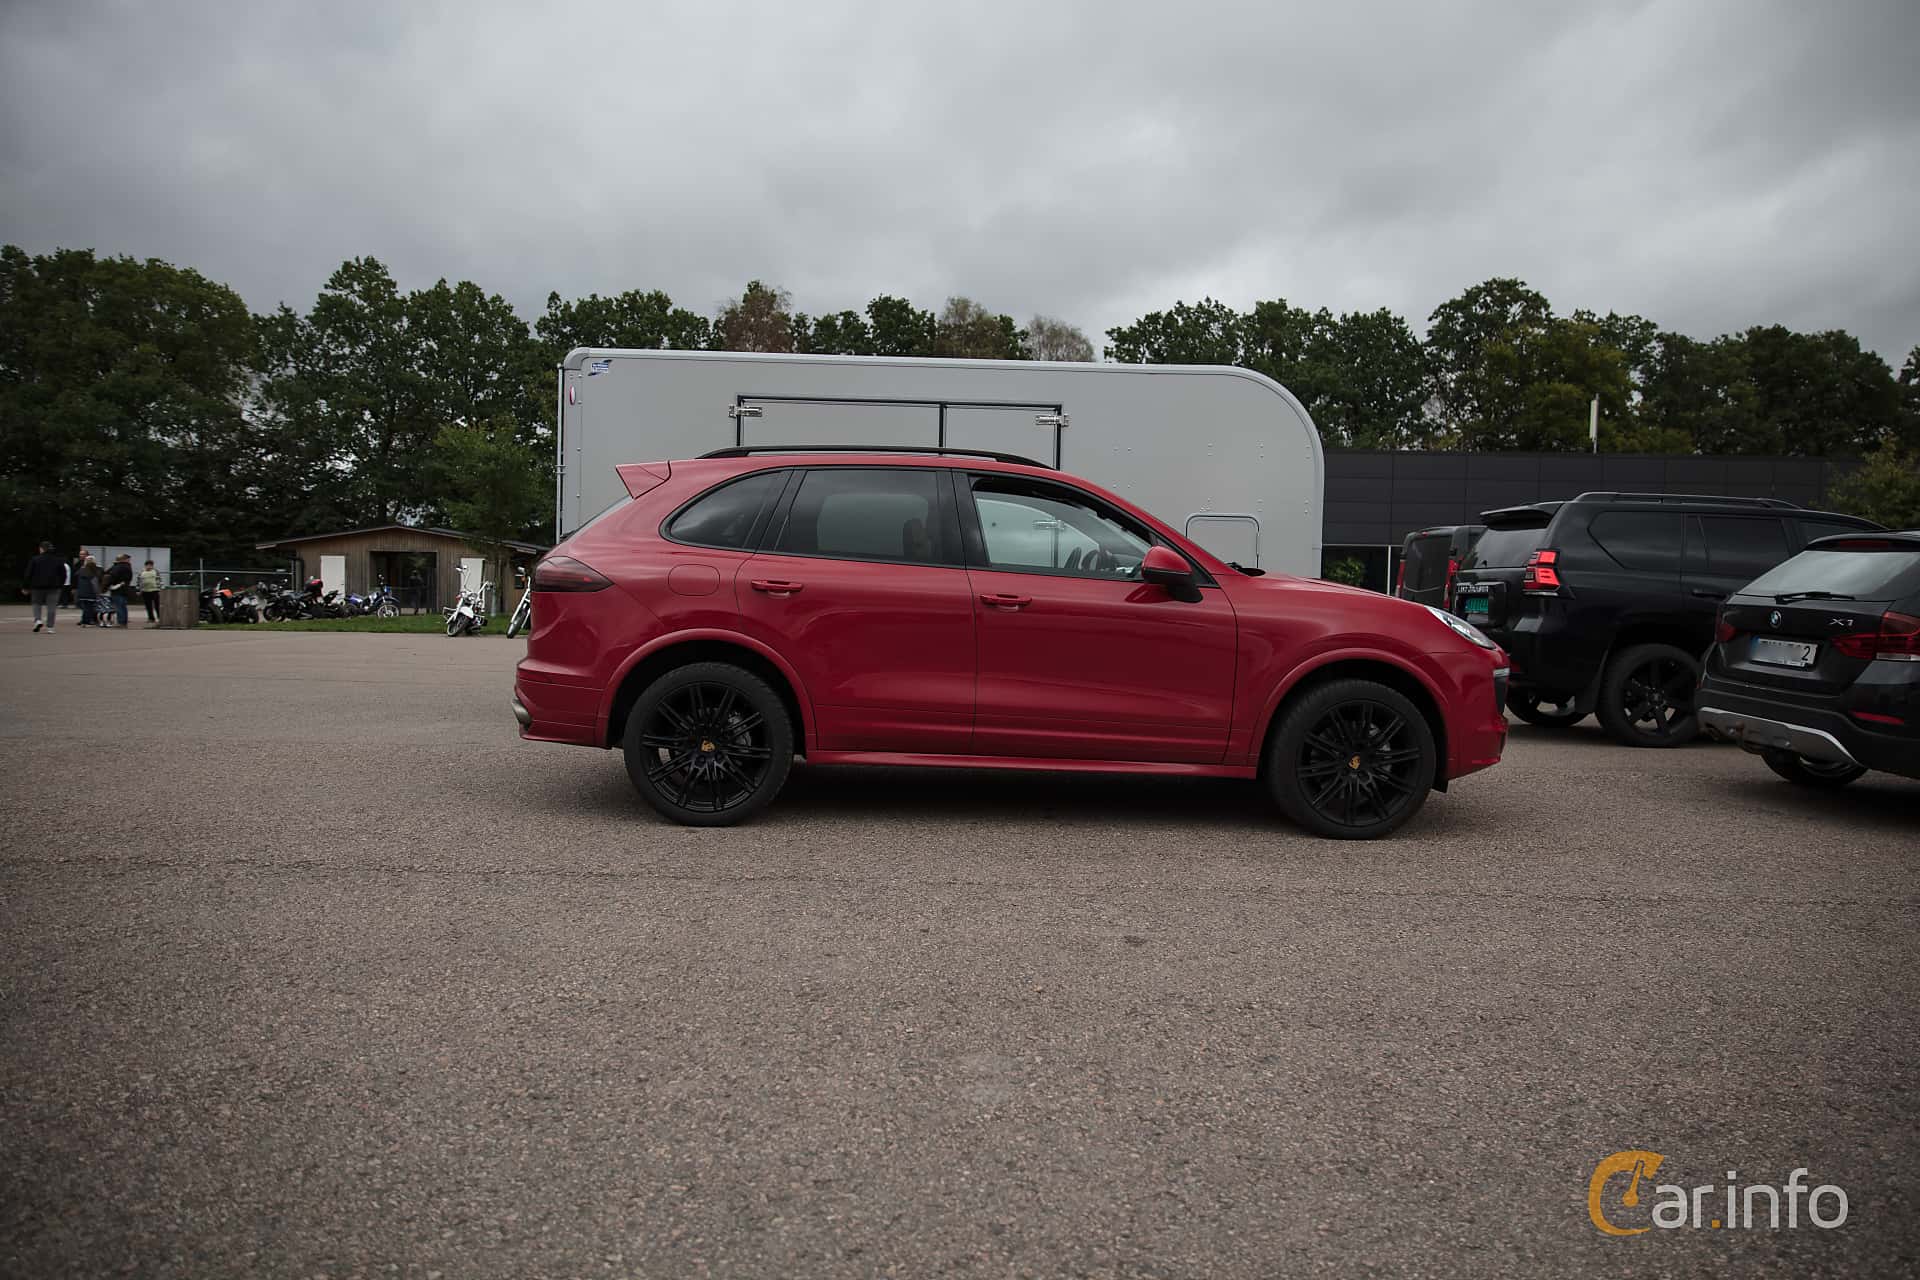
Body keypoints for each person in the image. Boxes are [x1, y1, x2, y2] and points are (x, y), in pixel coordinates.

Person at [23, 541, 66, 632]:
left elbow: (28, 574)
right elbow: (63, 574)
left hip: (37, 586)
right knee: (51, 607)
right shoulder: (58, 560)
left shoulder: (35, 559)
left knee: (36, 604)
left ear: (41, 549)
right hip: (54, 587)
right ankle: (50, 627)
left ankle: (38, 620)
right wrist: (60, 584)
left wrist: (25, 586)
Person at [104, 553, 134, 627]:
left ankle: (120, 622)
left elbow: (111, 576)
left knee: (118, 606)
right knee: (123, 606)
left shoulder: (118, 567)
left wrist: (107, 585)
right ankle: (124, 622)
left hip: (117, 589)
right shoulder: (128, 567)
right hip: (125, 589)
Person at [74, 554, 101, 626]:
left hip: (82, 592)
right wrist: (97, 593)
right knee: (90, 607)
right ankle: (87, 621)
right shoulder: (95, 571)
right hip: (91, 592)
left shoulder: (81, 570)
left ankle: (84, 620)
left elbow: (76, 578)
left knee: (85, 607)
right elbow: (94, 583)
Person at [138, 559, 162, 624]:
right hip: (145, 591)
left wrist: (160, 589)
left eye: (151, 565)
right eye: (148, 565)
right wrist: (138, 590)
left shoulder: (155, 571)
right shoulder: (142, 572)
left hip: (155, 590)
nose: (149, 567)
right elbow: (139, 581)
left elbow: (159, 580)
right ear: (145, 566)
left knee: (157, 605)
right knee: (148, 605)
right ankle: (151, 618)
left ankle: (159, 617)